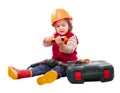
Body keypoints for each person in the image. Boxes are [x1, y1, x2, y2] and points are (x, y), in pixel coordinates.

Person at [8, 8, 88, 85]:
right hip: (54, 61)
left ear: (69, 25)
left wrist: (61, 44)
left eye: (63, 25)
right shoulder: (55, 36)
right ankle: (21, 74)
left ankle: (49, 77)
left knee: (59, 69)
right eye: (58, 26)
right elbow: (46, 45)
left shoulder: (72, 37)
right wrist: (46, 40)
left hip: (67, 64)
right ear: (55, 27)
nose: (61, 28)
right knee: (42, 67)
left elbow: (70, 49)